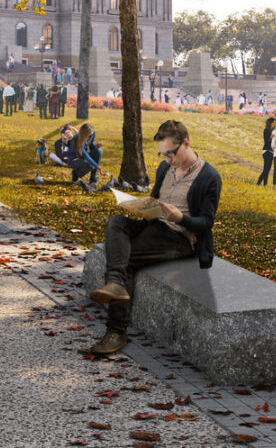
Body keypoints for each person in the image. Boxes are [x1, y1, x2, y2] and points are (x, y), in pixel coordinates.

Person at [85, 120, 221, 356]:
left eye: (171, 153)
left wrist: (180, 218)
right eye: (163, 154)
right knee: (116, 222)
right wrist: (143, 207)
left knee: (123, 258)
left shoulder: (209, 177)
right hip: (154, 224)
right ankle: (115, 284)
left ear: (185, 143)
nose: (168, 159)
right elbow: (156, 199)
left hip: (178, 237)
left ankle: (116, 331)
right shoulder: (164, 168)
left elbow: (206, 223)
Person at [71, 123, 104, 192]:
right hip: (74, 160)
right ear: (84, 135)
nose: (91, 137)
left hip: (83, 157)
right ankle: (76, 173)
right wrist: (98, 167)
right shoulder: (77, 140)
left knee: (99, 151)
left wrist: (95, 146)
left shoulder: (92, 134)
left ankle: (93, 178)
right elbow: (86, 157)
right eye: (90, 136)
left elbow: (91, 146)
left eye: (92, 135)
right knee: (90, 164)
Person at [255, 116, 275, 186]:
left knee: (267, 169)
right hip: (267, 151)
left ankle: (265, 184)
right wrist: (271, 137)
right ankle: (259, 182)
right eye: (274, 123)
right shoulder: (266, 130)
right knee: (266, 169)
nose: (275, 124)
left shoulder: (273, 131)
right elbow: (266, 142)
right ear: (270, 123)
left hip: (271, 152)